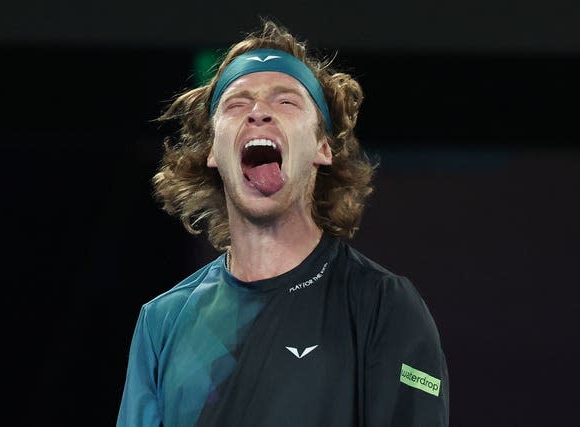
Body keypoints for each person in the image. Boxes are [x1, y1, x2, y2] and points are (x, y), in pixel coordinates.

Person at [117, 20, 449, 427]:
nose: (258, 112)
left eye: (286, 102)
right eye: (237, 103)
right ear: (212, 153)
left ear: (322, 147)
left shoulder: (382, 304)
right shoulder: (162, 321)